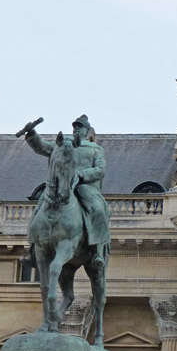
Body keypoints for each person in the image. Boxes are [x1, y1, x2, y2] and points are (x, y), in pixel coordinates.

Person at [20, 115, 110, 269]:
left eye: (80, 127)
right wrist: (32, 134)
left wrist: (81, 175)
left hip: (84, 186)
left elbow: (100, 170)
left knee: (98, 209)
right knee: (39, 207)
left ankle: (97, 251)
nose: (76, 129)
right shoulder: (62, 146)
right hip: (62, 185)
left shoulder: (95, 149)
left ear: (87, 131)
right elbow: (42, 147)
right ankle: (33, 250)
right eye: (75, 126)